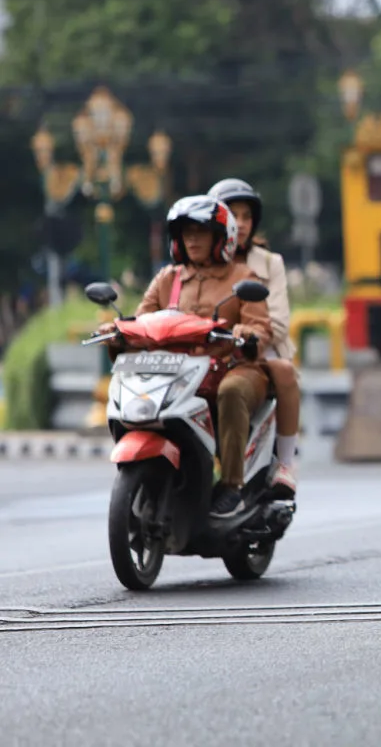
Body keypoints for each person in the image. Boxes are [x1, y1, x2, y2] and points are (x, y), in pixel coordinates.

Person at [115, 196, 272, 518]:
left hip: (233, 368)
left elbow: (260, 328)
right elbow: (140, 321)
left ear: (221, 237)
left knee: (231, 392)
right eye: (186, 232)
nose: (192, 239)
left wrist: (246, 332)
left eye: (200, 232)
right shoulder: (166, 279)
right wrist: (117, 329)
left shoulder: (243, 278)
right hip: (179, 374)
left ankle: (231, 486)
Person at [208, 178, 301, 499]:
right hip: (208, 351)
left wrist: (244, 333)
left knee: (284, 372)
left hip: (258, 350)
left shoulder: (269, 263)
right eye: (234, 216)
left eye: (247, 217)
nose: (241, 224)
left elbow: (276, 322)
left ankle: (286, 462)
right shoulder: (197, 262)